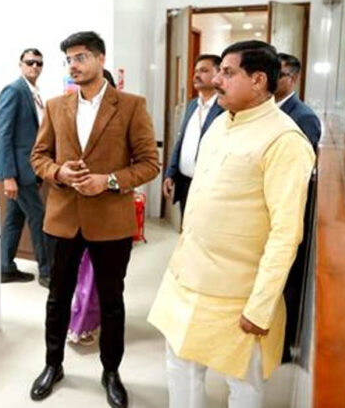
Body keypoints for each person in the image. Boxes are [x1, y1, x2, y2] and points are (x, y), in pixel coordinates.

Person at [148, 40, 315, 408]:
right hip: (188, 280)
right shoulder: (220, 124)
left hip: (238, 293)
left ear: (258, 80)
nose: (216, 80)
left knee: (243, 382)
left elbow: (286, 233)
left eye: (227, 72)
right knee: (180, 366)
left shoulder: (285, 141)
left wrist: (260, 306)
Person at [30, 31, 160, 408]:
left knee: (111, 300)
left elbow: (149, 163)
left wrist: (110, 180)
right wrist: (59, 172)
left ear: (101, 59)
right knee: (57, 297)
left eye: (81, 57)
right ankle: (53, 365)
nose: (73, 65)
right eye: (69, 59)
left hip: (110, 220)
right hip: (64, 219)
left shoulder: (131, 106)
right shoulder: (56, 106)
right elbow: (38, 157)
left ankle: (111, 372)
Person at [273, 52, 322, 363]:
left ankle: (284, 346)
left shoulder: (302, 117)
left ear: (292, 78)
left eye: (277, 74)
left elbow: (300, 175)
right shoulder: (268, 112)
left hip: (290, 211)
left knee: (287, 281)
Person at [0, 48, 51, 286]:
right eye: (30, 62)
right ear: (20, 64)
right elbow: (3, 135)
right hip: (19, 171)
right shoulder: (14, 90)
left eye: (39, 63)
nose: (34, 67)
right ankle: (47, 272)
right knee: (39, 217)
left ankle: (4, 267)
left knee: (14, 218)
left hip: (29, 169)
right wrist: (8, 176)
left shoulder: (34, 93)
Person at [66, 69, 117, 347]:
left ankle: (89, 323)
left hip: (108, 215)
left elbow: (142, 164)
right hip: (74, 214)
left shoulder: (125, 113)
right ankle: (80, 324)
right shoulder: (67, 112)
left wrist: (109, 181)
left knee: (99, 281)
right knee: (84, 278)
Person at [162, 54, 224, 217]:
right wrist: (170, 173)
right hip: (185, 182)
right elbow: (181, 140)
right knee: (185, 227)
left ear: (218, 74)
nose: (197, 75)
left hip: (208, 186)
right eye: (196, 71)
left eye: (204, 71)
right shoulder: (192, 105)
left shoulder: (224, 108)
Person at [274, 53, 322, 150]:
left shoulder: (305, 118)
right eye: (269, 74)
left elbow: (304, 156)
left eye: (278, 75)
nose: (271, 80)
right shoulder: (263, 108)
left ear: (293, 78)